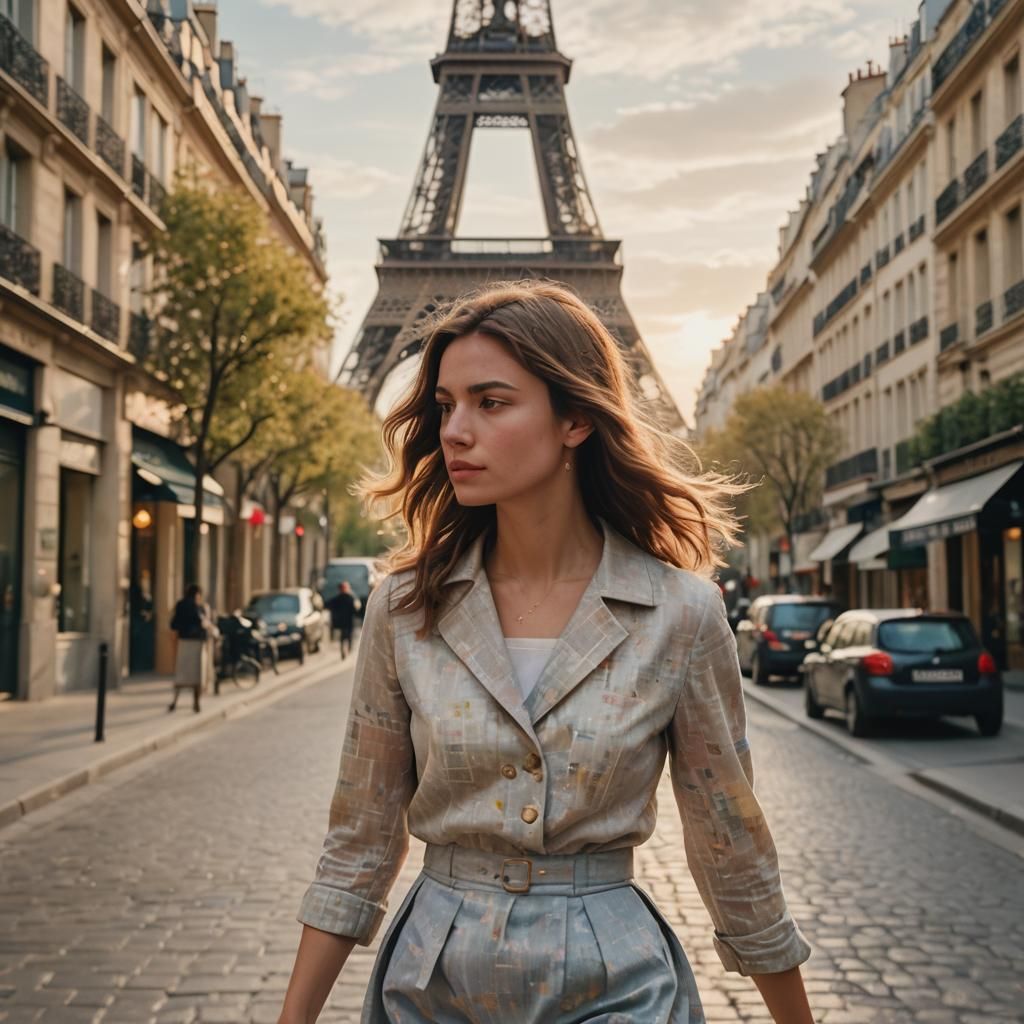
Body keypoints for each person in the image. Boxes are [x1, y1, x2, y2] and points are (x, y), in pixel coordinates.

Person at [278, 281, 815, 1024]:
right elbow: (360, 839)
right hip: (434, 984)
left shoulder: (680, 614)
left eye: (491, 403)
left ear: (576, 420)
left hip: (615, 983)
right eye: (445, 405)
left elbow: (728, 839)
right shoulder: (403, 608)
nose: (454, 431)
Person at [169, 583, 213, 713]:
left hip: (183, 642)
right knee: (196, 675)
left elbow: (173, 624)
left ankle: (174, 702)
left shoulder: (180, 605)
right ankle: (196, 703)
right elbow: (202, 622)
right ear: (197, 594)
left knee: (181, 674)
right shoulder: (197, 607)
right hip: (196, 643)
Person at [325, 581, 360, 659]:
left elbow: (328, 605)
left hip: (341, 621)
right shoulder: (350, 598)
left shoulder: (338, 598)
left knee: (343, 637)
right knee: (348, 636)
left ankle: (344, 650)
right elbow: (355, 610)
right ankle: (348, 649)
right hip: (348, 621)